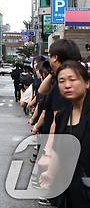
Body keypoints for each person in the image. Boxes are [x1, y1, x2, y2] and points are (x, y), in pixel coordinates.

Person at [50, 61, 90, 208]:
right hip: (69, 192)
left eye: (72, 79)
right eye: (61, 81)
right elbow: (58, 152)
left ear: (87, 83)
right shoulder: (62, 116)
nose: (67, 85)